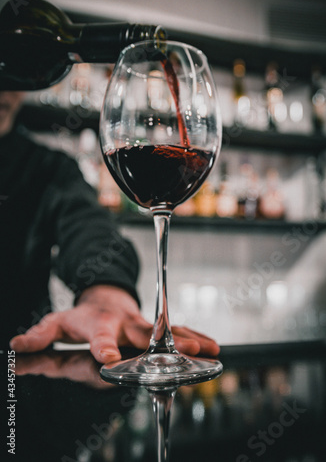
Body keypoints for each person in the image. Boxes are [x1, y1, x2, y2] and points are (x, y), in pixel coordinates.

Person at [0, 90, 220, 362]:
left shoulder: (49, 168)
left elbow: (89, 227)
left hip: (18, 366)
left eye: (12, 76)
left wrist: (106, 295)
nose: (4, 89)